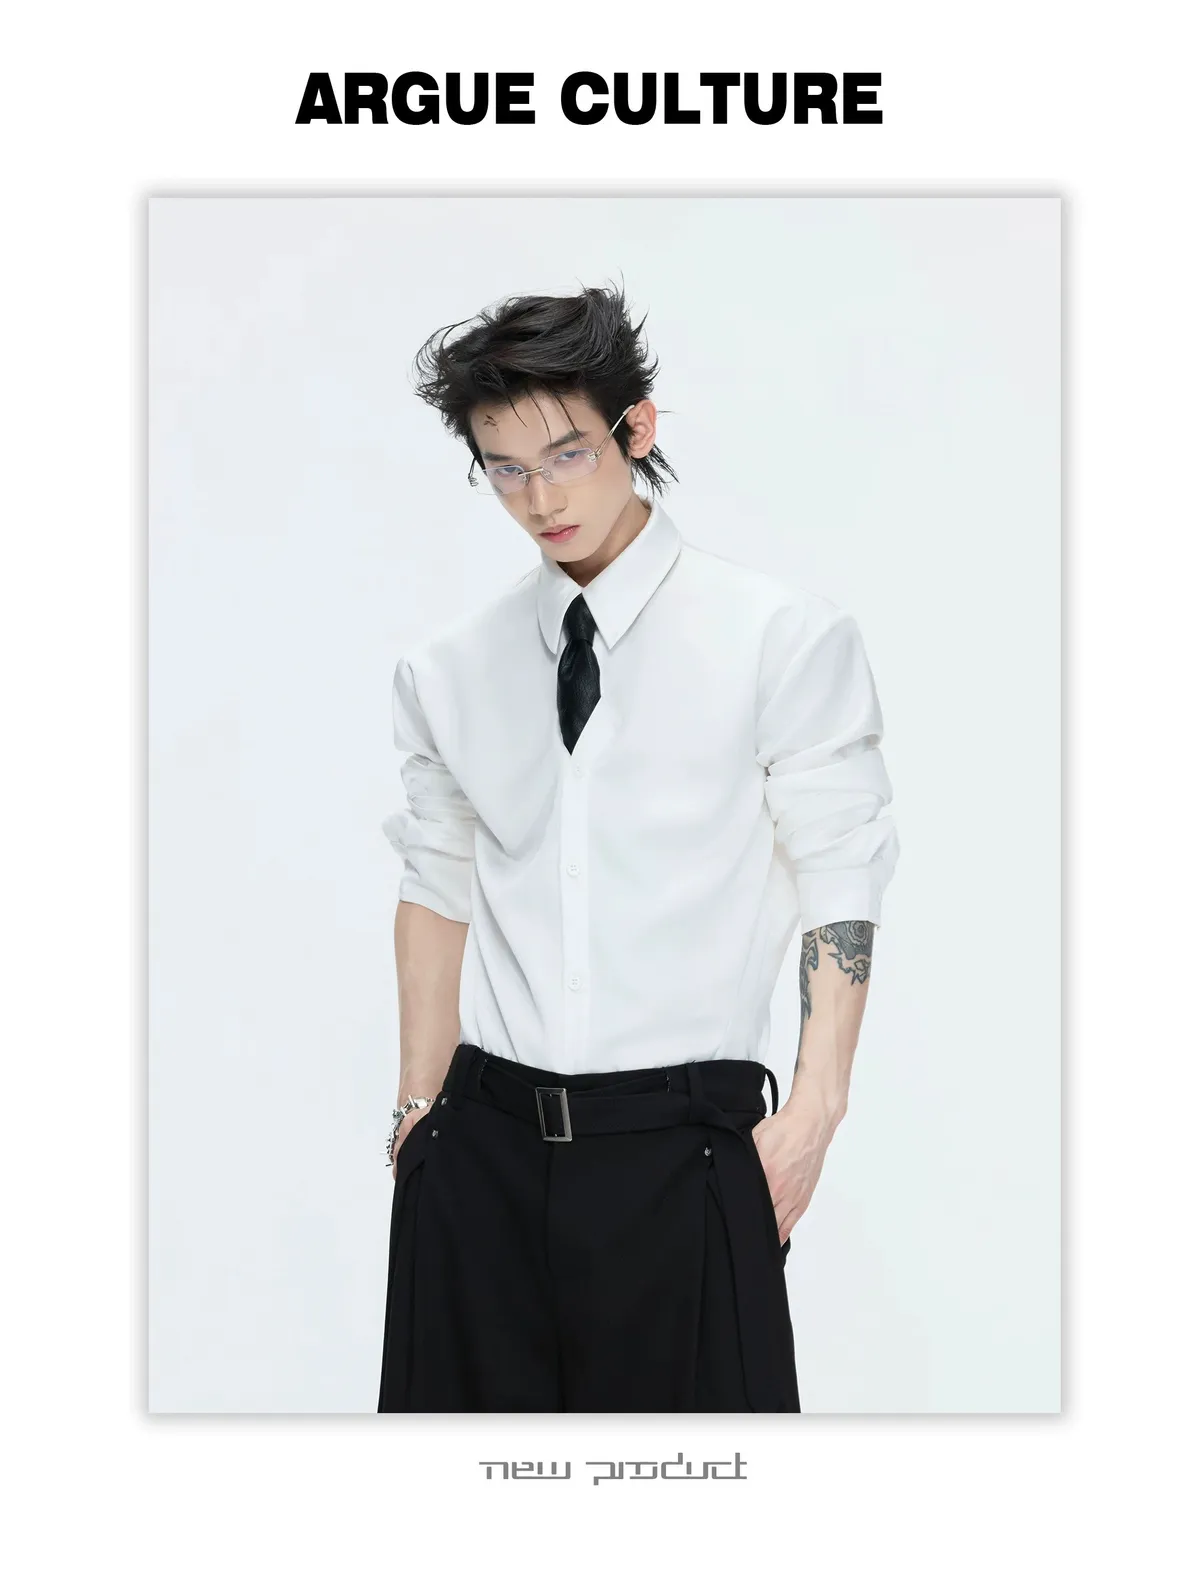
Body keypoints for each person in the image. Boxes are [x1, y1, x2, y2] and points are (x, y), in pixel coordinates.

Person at [376, 283, 899, 1412]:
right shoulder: (448, 669)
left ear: (637, 428)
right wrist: (418, 1115)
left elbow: (840, 874)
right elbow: (436, 877)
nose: (541, 497)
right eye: (505, 469)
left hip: (686, 1154)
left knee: (698, 1488)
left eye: (567, 454)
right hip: (481, 1156)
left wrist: (812, 1116)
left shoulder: (779, 639)